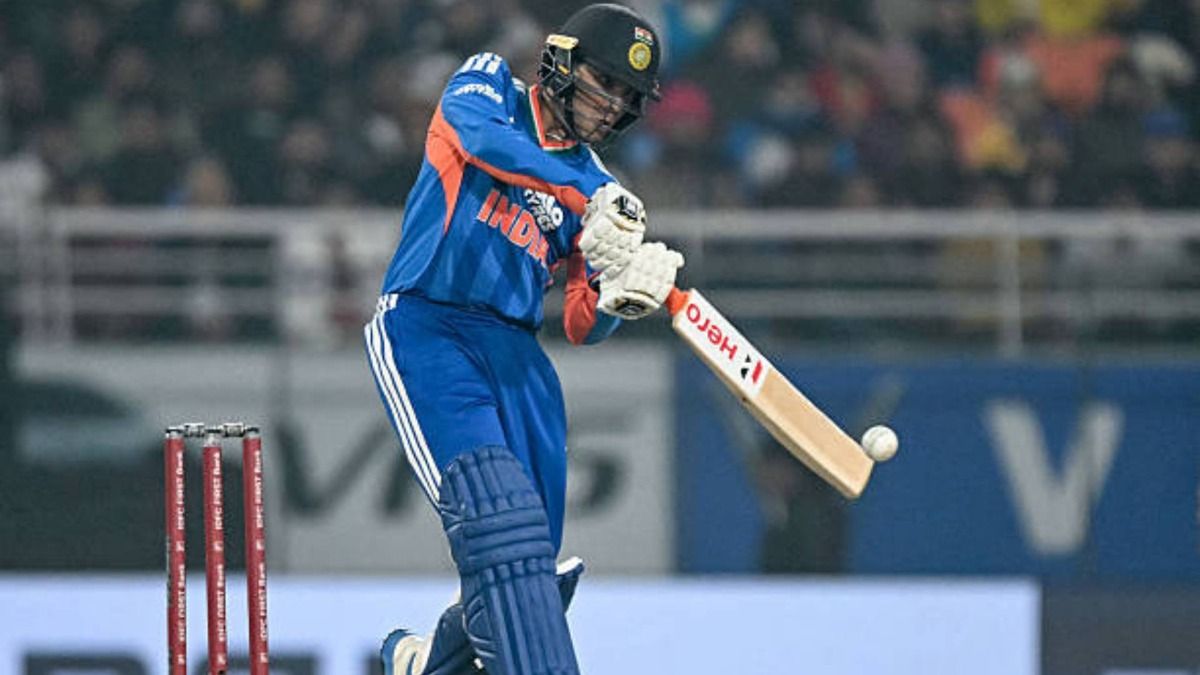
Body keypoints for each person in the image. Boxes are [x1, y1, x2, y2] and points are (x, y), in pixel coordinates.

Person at [362, 5, 684, 675]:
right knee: (499, 520)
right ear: (563, 64)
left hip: (518, 358)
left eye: (627, 98)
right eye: (605, 82)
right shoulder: (492, 89)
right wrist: (581, 196)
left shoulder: (603, 189)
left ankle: (426, 664)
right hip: (430, 323)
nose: (612, 105)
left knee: (523, 571)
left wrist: (623, 295)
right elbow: (474, 138)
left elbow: (579, 321)